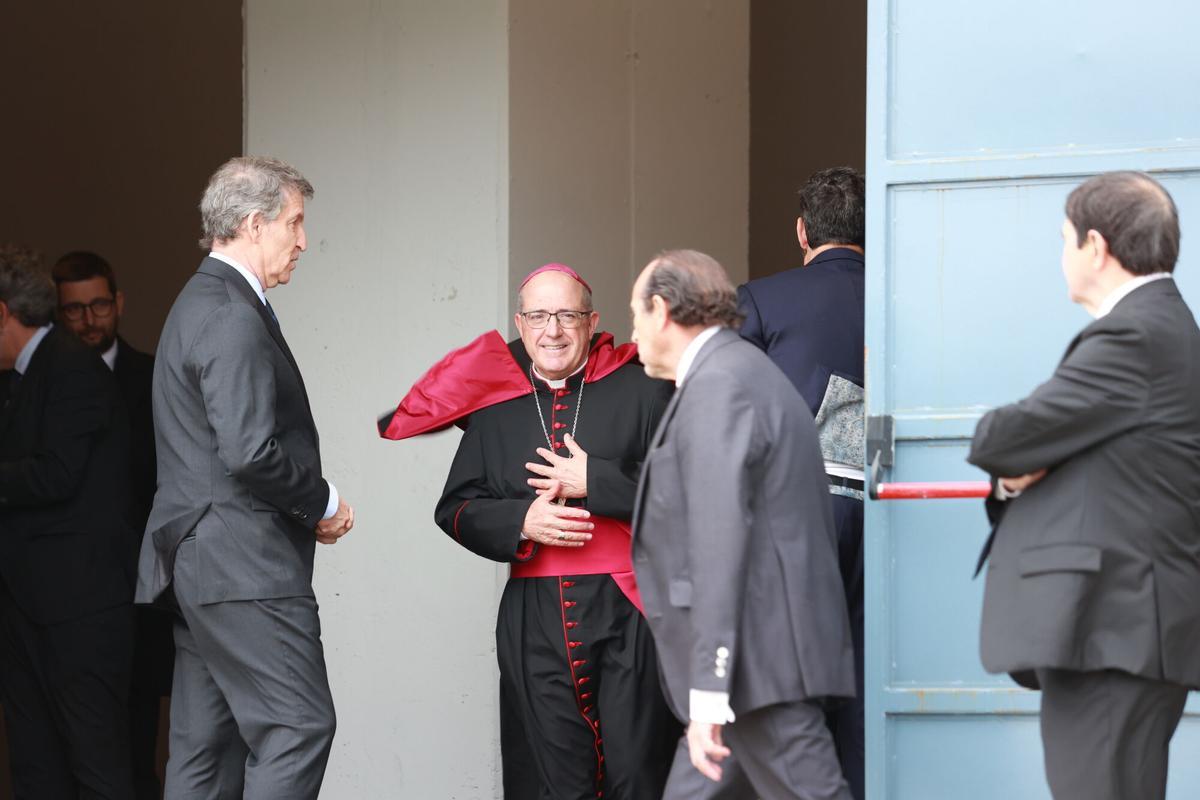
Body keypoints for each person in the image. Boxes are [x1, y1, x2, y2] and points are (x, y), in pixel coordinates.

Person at [380, 263, 679, 799]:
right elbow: (456, 508)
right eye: (538, 317)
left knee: (638, 772)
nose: (552, 331)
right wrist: (521, 520)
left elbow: (689, 492)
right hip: (535, 621)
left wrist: (597, 480)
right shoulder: (495, 404)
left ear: (592, 322)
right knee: (552, 780)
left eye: (567, 316)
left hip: (631, 613)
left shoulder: (645, 388)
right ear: (520, 324)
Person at [967, 171, 1200, 800]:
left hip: (1112, 629)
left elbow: (1001, 438)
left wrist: (1018, 464)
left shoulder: (1134, 334)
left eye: (1064, 238)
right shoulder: (1163, 327)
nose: (1062, 255)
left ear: (1095, 246)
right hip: (1125, 630)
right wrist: (1020, 473)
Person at [136, 156, 354, 799]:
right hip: (243, 566)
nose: (303, 241)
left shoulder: (198, 301)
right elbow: (251, 452)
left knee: (205, 750)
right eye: (295, 222)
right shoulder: (230, 312)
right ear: (255, 225)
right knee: (298, 726)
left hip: (202, 566)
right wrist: (323, 503)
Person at [628, 249, 855, 800]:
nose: (632, 333)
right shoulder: (740, 372)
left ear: (662, 311)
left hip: (758, 670)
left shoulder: (720, 385)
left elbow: (718, 539)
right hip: (757, 666)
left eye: (635, 314)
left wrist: (710, 687)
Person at [736, 166, 865, 798]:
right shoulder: (908, 295)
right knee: (872, 666)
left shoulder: (762, 298)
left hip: (796, 510)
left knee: (793, 674)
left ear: (801, 231)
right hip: (891, 507)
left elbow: (729, 406)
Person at [0, 245, 137, 799]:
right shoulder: (23, 376)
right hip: (27, 609)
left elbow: (56, 474)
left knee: (95, 767)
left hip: (79, 615)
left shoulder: (72, 368)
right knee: (36, 768)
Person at [52, 250, 170, 800]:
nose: (88, 320)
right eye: (74, 309)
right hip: (69, 591)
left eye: (98, 305)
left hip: (141, 582)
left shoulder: (152, 376)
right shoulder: (41, 383)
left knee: (140, 725)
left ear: (118, 303)